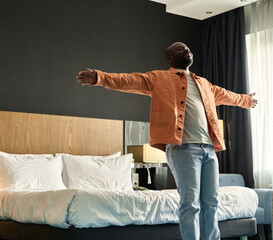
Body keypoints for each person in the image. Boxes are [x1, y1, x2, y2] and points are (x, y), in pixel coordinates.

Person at [76, 42, 258, 240]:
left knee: (211, 202)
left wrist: (246, 100)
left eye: (188, 48)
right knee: (190, 203)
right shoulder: (159, 78)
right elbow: (129, 80)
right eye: (180, 49)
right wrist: (100, 78)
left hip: (208, 149)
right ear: (170, 59)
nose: (187, 50)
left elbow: (226, 95)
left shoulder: (204, 84)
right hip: (183, 150)